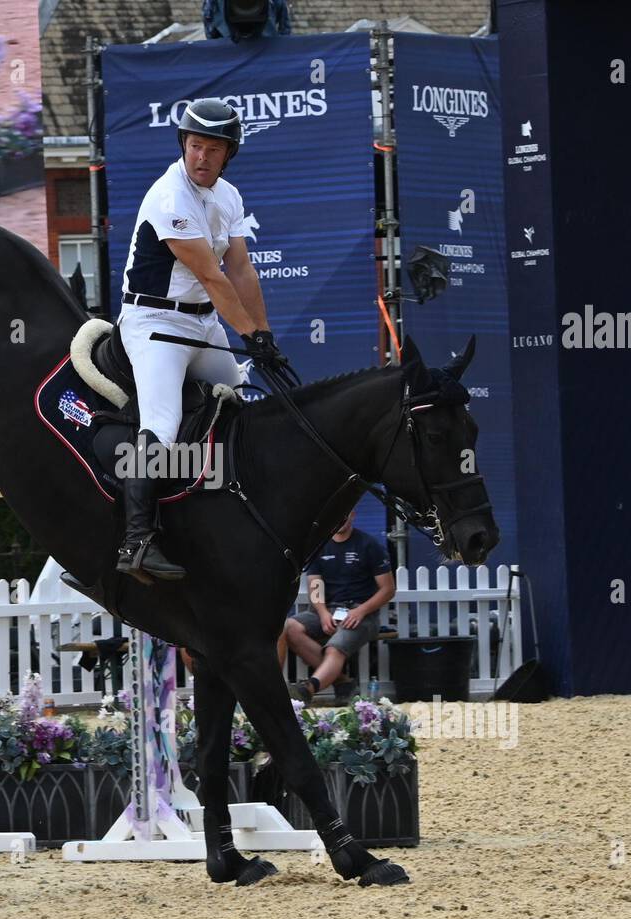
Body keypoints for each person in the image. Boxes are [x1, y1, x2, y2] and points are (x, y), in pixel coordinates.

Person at [115, 97, 275, 583]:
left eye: (212, 148)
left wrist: (264, 335)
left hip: (203, 324)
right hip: (155, 324)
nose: (201, 156)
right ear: (183, 145)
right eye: (194, 145)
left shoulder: (228, 196)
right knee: (161, 423)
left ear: (230, 153)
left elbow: (242, 270)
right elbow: (211, 275)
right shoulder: (170, 195)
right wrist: (248, 332)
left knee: (244, 401)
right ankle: (137, 542)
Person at [284, 510, 396, 705]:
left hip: (362, 613)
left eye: (345, 515)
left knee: (335, 647)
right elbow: (315, 587)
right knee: (289, 627)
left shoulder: (369, 545)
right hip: (328, 610)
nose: (340, 520)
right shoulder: (320, 546)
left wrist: (360, 611)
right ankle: (343, 683)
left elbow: (387, 590)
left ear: (352, 515)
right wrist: (322, 612)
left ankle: (308, 689)